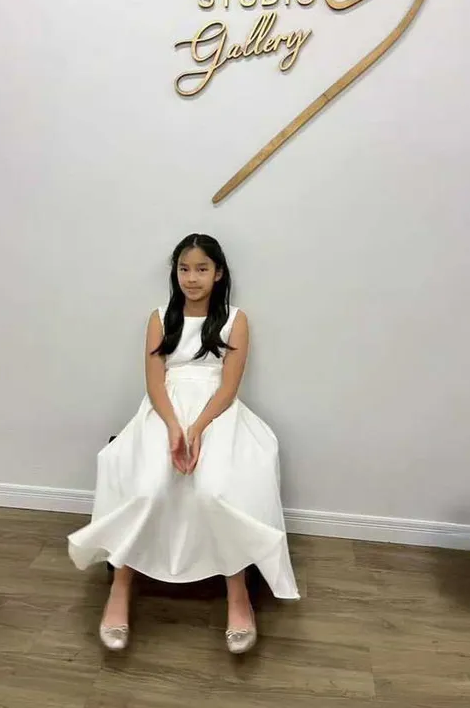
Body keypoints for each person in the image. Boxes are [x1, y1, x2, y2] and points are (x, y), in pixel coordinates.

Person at [67, 233, 299, 653]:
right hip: (164, 411)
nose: (192, 278)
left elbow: (228, 387)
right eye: (184, 269)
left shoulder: (235, 320)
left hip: (217, 413)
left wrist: (198, 428)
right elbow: (155, 382)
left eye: (202, 269)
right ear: (175, 273)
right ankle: (120, 587)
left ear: (218, 273)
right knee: (147, 488)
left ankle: (238, 596)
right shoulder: (160, 318)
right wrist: (174, 426)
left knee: (215, 491)